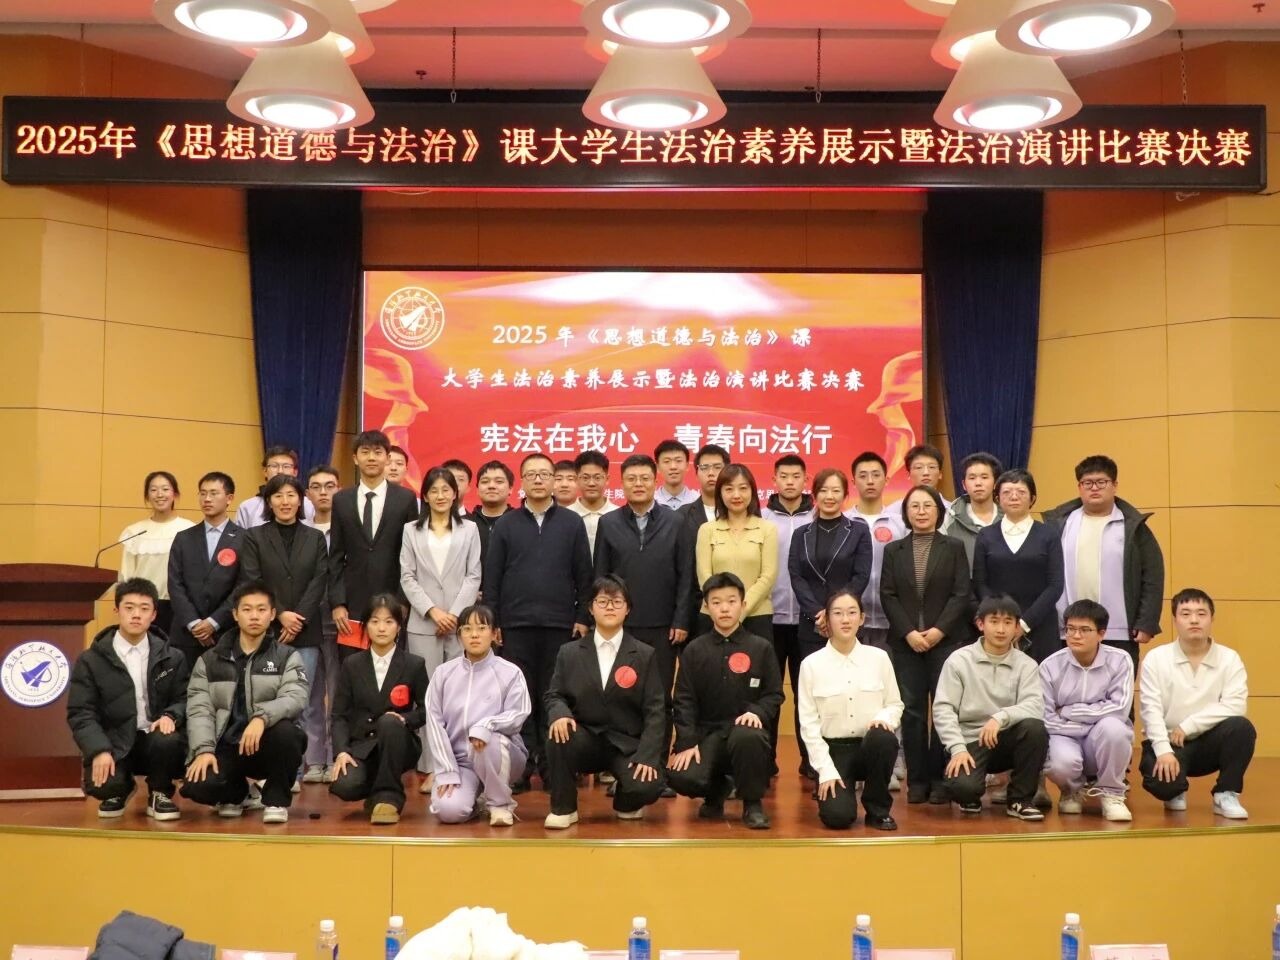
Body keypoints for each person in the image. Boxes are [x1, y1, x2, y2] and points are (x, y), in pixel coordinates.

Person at [485, 452, 592, 789]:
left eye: (545, 474)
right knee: (519, 699)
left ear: (555, 480)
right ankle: (521, 766)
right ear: (522, 481)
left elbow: (584, 575)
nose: (538, 479)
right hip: (515, 625)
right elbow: (493, 577)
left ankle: (551, 766)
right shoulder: (506, 524)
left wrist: (582, 616)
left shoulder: (572, 523)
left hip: (560, 625)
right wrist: (493, 621)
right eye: (531, 474)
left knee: (553, 696)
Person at [543, 576, 668, 827]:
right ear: (591, 608)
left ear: (628, 608)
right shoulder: (570, 652)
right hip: (585, 738)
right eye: (602, 601)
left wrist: (647, 756)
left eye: (617, 601)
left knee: (649, 785)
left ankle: (626, 800)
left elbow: (655, 710)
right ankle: (564, 808)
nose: (610, 607)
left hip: (626, 745)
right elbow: (554, 694)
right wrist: (560, 713)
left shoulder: (644, 654)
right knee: (558, 734)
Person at [180, 581, 308, 823]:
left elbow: (295, 697)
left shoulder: (287, 656)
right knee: (197, 786)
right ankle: (238, 793)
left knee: (288, 734)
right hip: (226, 745)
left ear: (272, 614)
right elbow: (199, 710)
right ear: (235, 615)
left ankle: (276, 800)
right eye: (247, 609)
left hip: (266, 744)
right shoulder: (209, 660)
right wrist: (204, 750)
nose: (254, 616)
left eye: (261, 609)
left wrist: (261, 718)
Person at [66, 578, 189, 820]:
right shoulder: (91, 659)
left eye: (144, 609)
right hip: (114, 741)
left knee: (168, 739)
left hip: (155, 739)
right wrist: (99, 749)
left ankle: (160, 792)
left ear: (154, 614)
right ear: (116, 611)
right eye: (129, 607)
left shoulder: (173, 657)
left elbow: (185, 697)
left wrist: (170, 715)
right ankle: (120, 789)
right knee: (103, 786)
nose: (136, 615)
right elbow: (81, 712)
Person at [880, 485, 973, 804]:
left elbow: (961, 593)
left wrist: (938, 631)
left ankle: (940, 779)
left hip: (945, 642)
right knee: (912, 712)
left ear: (938, 511)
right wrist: (909, 632)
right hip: (906, 643)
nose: (921, 511)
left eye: (927, 506)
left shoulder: (954, 547)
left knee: (944, 709)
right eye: (914, 506)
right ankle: (917, 781)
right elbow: (888, 595)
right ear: (906, 513)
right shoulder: (894, 550)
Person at [667, 573, 782, 830]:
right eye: (717, 602)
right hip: (708, 734)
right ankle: (716, 790)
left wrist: (757, 712)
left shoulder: (761, 647)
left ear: (743, 604)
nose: (725, 608)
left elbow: (774, 694)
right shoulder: (694, 650)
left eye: (731, 601)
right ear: (707, 607)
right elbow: (683, 700)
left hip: (745, 733)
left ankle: (752, 804)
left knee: (749, 736)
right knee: (681, 776)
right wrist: (687, 741)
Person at [240, 474, 329, 779]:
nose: (285, 501)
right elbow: (253, 578)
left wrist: (298, 617)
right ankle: (273, 771)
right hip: (267, 630)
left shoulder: (315, 537)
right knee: (267, 699)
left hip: (306, 630)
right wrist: (279, 615)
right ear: (269, 501)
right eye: (278, 495)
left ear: (300, 500)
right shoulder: (254, 537)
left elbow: (319, 580)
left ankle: (300, 770)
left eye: (291, 495)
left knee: (302, 699)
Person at [593, 454, 692, 730]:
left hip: (664, 626)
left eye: (645, 478)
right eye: (631, 479)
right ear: (621, 483)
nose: (638, 484)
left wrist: (681, 620)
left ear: (655, 480)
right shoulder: (609, 523)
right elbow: (601, 576)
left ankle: (657, 754)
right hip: (620, 624)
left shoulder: (676, 521)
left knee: (659, 696)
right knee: (620, 692)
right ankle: (624, 752)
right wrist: (602, 619)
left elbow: (686, 575)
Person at [1043, 455, 1165, 675]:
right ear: (1079, 487)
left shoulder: (1133, 527)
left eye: (1101, 482)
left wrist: (1146, 621)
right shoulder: (1061, 524)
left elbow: (1152, 576)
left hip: (1118, 629)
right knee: (1066, 689)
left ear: (1114, 485)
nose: (1094, 488)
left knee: (1117, 690)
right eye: (1087, 483)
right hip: (1068, 629)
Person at [1139, 588, 1254, 819]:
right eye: (1186, 613)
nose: (1194, 620)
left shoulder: (1229, 658)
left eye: (1201, 613)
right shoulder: (1157, 658)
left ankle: (1226, 793)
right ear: (1175, 620)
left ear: (1212, 618)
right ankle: (1176, 789)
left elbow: (1235, 705)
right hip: (1169, 742)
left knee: (1242, 728)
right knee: (1164, 786)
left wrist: (1189, 725)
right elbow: (1150, 710)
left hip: (1209, 742)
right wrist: (1163, 751)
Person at [787, 468, 872, 779]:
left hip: (846, 622)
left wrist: (836, 612)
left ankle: (847, 759)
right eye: (823, 490)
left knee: (845, 690)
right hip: (811, 624)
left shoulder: (858, 531)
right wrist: (818, 613)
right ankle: (810, 759)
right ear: (815, 495)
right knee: (809, 694)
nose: (830, 496)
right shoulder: (801, 534)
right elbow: (796, 575)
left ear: (845, 495)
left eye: (836, 491)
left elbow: (861, 575)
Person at [933, 595, 1048, 820]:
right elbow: (943, 709)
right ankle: (970, 795)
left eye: (1008, 622)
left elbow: (1035, 705)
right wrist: (957, 748)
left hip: (1006, 738)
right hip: (970, 741)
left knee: (1035, 729)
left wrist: (1000, 717)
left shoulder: (1026, 664)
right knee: (963, 789)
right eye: (994, 621)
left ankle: (1019, 800)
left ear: (1016, 627)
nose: (1001, 629)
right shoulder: (959, 660)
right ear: (980, 624)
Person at [400, 466, 481, 786]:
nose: (440, 495)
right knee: (429, 696)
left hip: (460, 625)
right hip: (424, 623)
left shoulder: (469, 529)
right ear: (425, 495)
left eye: (446, 489)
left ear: (455, 493)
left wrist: (455, 614)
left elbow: (474, 575)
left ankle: (460, 763)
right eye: (434, 490)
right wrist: (433, 611)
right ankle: (432, 766)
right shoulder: (411, 530)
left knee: (459, 695)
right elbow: (407, 576)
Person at [796, 589, 902, 831]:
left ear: (862, 618)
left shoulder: (879, 658)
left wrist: (883, 719)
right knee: (838, 818)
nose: (845, 619)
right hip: (834, 751)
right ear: (827, 619)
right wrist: (825, 770)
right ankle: (835, 793)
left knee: (884, 738)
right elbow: (809, 726)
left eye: (852, 613)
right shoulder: (811, 665)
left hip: (869, 745)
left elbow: (895, 704)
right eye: (838, 613)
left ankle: (878, 809)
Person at [424, 604, 532, 826]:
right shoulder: (443, 674)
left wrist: (486, 726)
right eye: (467, 629)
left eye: (482, 628)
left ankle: (500, 804)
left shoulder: (510, 672)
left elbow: (518, 714)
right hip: (460, 763)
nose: (474, 635)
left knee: (487, 740)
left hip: (502, 756)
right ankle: (477, 800)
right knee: (448, 811)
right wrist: (447, 770)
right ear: (459, 636)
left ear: (494, 634)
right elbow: (434, 723)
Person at [329, 594, 429, 825]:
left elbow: (428, 710)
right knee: (345, 785)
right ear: (365, 626)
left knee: (389, 721)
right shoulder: (352, 665)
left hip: (399, 743)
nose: (381, 628)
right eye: (374, 621)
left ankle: (389, 797)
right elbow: (339, 715)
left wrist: (405, 720)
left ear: (399, 627)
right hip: (363, 746)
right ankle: (375, 792)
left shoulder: (414, 664)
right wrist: (341, 751)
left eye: (389, 622)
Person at [1041, 599, 1135, 822]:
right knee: (1060, 763)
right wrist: (1088, 723)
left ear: (1101, 633)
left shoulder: (1120, 660)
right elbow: (1047, 718)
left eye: (1084, 630)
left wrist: (1068, 711)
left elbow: (1119, 709)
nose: (1075, 635)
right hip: (1063, 736)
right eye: (1070, 629)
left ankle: (1112, 794)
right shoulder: (1049, 666)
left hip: (1098, 735)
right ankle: (1071, 791)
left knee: (1115, 729)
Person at [329, 430, 419, 644]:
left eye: (378, 452)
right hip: (352, 603)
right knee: (352, 662)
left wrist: (403, 601)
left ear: (387, 458)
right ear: (355, 458)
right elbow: (336, 556)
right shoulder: (341, 500)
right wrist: (338, 603)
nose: (371, 458)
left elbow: (411, 555)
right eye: (365, 452)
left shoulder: (405, 499)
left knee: (391, 662)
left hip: (393, 600)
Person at [972, 468, 1064, 663]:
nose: (1014, 497)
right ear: (998, 498)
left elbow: (1055, 585)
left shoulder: (1049, 534)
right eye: (1007, 492)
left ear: (1032, 498)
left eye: (1021, 492)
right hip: (998, 628)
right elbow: (980, 583)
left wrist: (1024, 624)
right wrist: (1000, 620)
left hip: (1041, 625)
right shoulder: (986, 535)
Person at [167, 471, 243, 669]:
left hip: (226, 632)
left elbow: (243, 586)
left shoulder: (244, 539)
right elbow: (175, 584)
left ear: (229, 498)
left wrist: (213, 622)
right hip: (186, 634)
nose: (207, 499)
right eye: (202, 493)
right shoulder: (183, 538)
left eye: (214, 493)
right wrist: (194, 623)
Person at [762, 455, 814, 743]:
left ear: (806, 480)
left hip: (809, 620)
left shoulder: (817, 517)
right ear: (774, 480)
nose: (790, 482)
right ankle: (765, 759)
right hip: (770, 618)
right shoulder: (761, 518)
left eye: (796, 476)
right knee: (768, 693)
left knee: (806, 695)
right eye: (784, 476)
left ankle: (808, 759)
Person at [695, 464, 778, 641]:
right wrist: (722, 608)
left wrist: (740, 609)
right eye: (729, 489)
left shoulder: (767, 529)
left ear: (752, 492)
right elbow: (704, 576)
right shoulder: (707, 530)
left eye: (743, 488)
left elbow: (768, 576)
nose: (736, 495)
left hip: (756, 616)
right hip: (714, 616)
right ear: (720, 493)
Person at [117, 470, 195, 636]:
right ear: (147, 496)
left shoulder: (189, 529)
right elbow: (126, 574)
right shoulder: (135, 531)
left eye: (165, 489)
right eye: (153, 490)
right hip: (143, 605)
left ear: (175, 494)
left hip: (180, 607)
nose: (160, 494)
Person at [301, 465, 342, 783]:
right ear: (307, 494)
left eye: (330, 486)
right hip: (307, 622)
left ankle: (335, 757)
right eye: (316, 486)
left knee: (338, 695)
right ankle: (313, 760)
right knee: (309, 694)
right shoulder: (300, 531)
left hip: (343, 623)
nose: (323, 492)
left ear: (339, 490)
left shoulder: (349, 527)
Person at [844, 452, 907, 649]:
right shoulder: (843, 522)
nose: (870, 481)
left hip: (893, 618)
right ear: (853, 482)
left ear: (886, 480)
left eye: (876, 475)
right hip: (850, 618)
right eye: (863, 476)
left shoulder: (901, 524)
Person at [677, 444, 730, 637]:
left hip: (735, 606)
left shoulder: (740, 513)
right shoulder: (682, 515)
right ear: (696, 472)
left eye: (717, 467)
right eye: (705, 468)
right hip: (696, 609)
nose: (711, 473)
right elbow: (682, 569)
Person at [940, 452, 1004, 570]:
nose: (978, 483)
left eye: (984, 477)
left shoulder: (1008, 517)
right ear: (964, 484)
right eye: (972, 478)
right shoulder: (948, 518)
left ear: (995, 483)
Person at [234, 445, 316, 528]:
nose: (280, 471)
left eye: (286, 466)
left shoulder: (311, 505)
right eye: (274, 466)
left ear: (295, 472)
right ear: (265, 471)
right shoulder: (247, 507)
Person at [470, 460, 515, 594]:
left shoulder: (522, 523)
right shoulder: (466, 524)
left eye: (499, 481)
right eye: (485, 482)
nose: (491, 486)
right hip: (470, 600)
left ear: (511, 489)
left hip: (510, 598)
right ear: (477, 489)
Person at [569, 450, 618, 556]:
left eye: (597, 477)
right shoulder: (565, 516)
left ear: (607, 479)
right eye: (585, 478)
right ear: (576, 479)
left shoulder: (620, 515)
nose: (591, 483)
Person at [654, 439, 699, 509]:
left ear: (687, 465)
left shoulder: (698, 500)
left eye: (678, 461)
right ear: (657, 467)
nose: (673, 467)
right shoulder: (650, 501)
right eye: (667, 461)